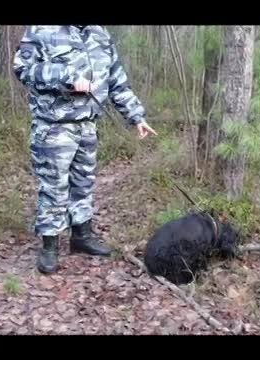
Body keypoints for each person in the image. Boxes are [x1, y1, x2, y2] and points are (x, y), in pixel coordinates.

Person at [13, 25, 157, 274]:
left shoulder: (99, 34)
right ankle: (49, 246)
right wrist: (66, 77)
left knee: (83, 183)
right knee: (54, 187)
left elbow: (116, 80)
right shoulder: (41, 31)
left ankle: (81, 236)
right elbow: (23, 69)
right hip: (53, 126)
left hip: (88, 126)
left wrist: (136, 117)